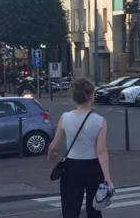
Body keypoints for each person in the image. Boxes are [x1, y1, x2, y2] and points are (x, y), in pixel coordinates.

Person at [48, 78, 112, 218]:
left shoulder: (65, 118)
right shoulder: (100, 121)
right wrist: (107, 177)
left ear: (74, 97)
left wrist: (51, 154)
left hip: (71, 167)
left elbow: (54, 145)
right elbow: (101, 151)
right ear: (91, 96)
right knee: (94, 208)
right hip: (93, 167)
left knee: (70, 207)